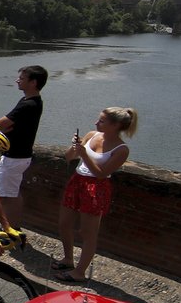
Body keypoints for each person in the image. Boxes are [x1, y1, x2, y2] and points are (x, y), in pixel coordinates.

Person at [55, 107, 138, 284]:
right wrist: (74, 148)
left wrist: (84, 154)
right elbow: (68, 157)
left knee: (87, 232)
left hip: (97, 187)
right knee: (64, 223)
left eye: (101, 121)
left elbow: (101, 174)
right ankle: (68, 259)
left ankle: (79, 272)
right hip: (77, 180)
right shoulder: (91, 134)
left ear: (115, 125)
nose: (96, 123)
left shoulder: (121, 150)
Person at [0, 65, 47, 227]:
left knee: (7, 196)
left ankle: (11, 229)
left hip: (15, 156)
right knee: (11, 193)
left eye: (22, 78)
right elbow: (5, 125)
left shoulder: (28, 105)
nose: (18, 80)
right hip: (19, 155)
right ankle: (11, 226)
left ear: (33, 82)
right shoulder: (31, 101)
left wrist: (5, 126)